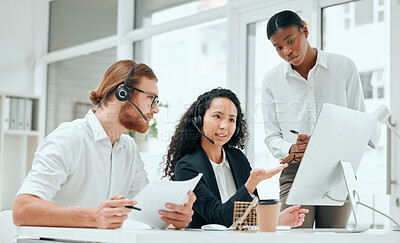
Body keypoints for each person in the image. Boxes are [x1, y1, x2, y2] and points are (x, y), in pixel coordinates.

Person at [13, 60, 195, 229]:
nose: (155, 109)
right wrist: (93, 217)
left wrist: (174, 218)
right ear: (122, 93)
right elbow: (22, 209)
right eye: (151, 98)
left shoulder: (128, 148)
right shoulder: (71, 138)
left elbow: (148, 209)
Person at [262, 10, 366, 228]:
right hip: (296, 170)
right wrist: (292, 148)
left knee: (334, 237)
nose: (287, 51)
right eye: (278, 47)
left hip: (337, 170)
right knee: (295, 236)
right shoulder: (272, 80)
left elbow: (360, 123)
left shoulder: (343, 67)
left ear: (305, 30)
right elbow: (271, 137)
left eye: (290, 41)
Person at [162, 88, 308, 228]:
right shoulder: (186, 167)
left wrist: (277, 219)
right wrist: (250, 184)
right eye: (217, 116)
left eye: (232, 120)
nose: (224, 126)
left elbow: (250, 217)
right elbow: (218, 217)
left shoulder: (238, 158)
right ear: (199, 119)